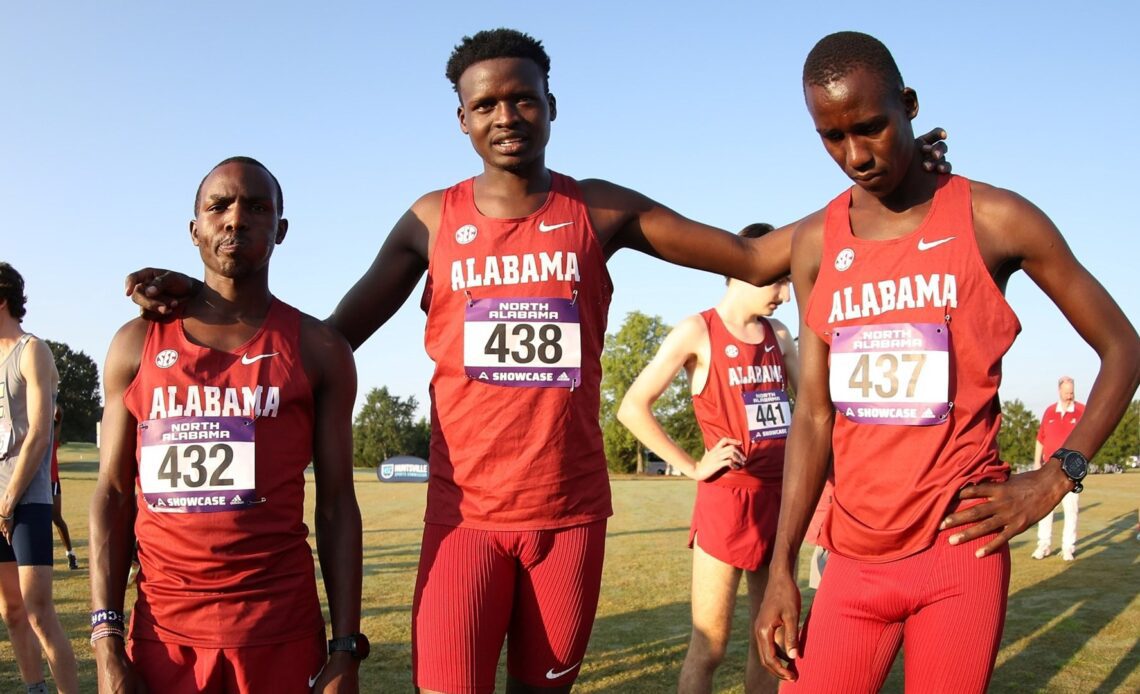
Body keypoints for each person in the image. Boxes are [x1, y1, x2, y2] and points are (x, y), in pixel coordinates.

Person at [124, 30, 949, 694]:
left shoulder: (596, 208)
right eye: (486, 103)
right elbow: (326, 343)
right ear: (461, 119)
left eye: (523, 98)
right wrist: (206, 305)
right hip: (463, 522)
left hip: (569, 519)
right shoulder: (428, 221)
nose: (506, 115)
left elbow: (749, 253)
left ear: (552, 106)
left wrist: (880, 188)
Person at [753, 31, 1140, 692]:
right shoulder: (818, 240)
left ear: (907, 104)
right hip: (851, 558)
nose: (855, 155)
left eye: (871, 127)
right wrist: (782, 565)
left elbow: (1123, 348)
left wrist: (1055, 476)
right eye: (832, 137)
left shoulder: (996, 219)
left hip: (960, 551)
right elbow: (814, 416)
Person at [90, 157, 365, 693]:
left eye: (257, 207)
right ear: (194, 230)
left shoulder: (319, 349)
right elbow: (114, 493)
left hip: (280, 635)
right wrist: (106, 642)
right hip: (163, 639)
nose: (236, 219)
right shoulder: (133, 345)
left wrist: (346, 650)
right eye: (218, 206)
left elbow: (336, 504)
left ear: (280, 229)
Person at [617, 222, 796, 693]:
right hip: (727, 503)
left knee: (771, 639)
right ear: (743, 270)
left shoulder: (779, 334)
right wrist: (693, 465)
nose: (786, 294)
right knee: (710, 645)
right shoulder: (698, 330)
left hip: (780, 500)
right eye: (780, 280)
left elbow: (820, 405)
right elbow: (632, 407)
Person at [0, 262, 79, 694]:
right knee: (11, 611)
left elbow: (39, 432)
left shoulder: (33, 351)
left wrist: (9, 500)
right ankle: (35, 689)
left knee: (37, 611)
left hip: (25, 499)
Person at [1031, 376, 1085, 561]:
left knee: (1071, 509)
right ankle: (1044, 545)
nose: (1070, 395)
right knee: (1045, 508)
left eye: (1072, 392)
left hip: (1071, 471)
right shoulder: (1049, 411)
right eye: (1067, 392)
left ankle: (1068, 547)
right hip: (1048, 469)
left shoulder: (1081, 411)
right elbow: (1041, 439)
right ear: (1059, 391)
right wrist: (1037, 462)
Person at [49, 404, 78, 570]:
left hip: (51, 482)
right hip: (34, 483)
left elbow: (60, 414)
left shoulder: (51, 436)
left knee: (56, 519)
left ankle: (70, 554)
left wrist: (50, 400)